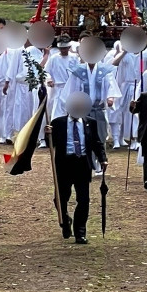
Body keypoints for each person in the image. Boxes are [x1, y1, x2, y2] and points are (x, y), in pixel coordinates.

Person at [46, 93, 107, 245]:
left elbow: (96, 143)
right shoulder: (58, 123)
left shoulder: (90, 123)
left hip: (82, 164)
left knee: (83, 199)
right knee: (60, 198)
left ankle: (80, 231)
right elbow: (50, 144)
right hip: (64, 164)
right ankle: (65, 219)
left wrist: (102, 159)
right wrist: (47, 135)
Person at [45, 34, 75, 120]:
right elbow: (46, 71)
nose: (63, 50)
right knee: (57, 114)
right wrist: (49, 78)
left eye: (65, 48)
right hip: (58, 89)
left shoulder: (74, 58)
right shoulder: (54, 58)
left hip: (71, 89)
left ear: (69, 47)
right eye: (61, 48)